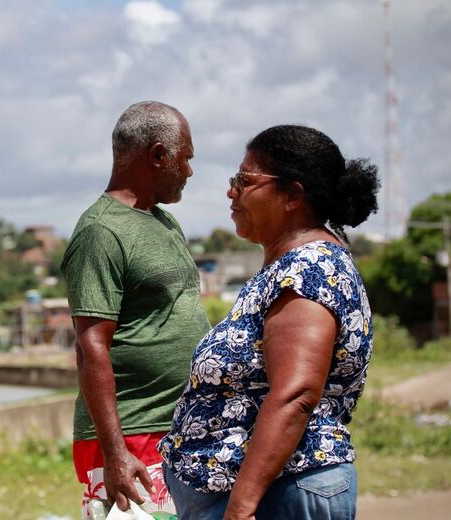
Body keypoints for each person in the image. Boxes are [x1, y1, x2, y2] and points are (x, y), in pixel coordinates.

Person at [158, 124, 380, 520]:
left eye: (245, 181)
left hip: (282, 494)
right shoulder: (287, 270)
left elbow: (295, 395)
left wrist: (241, 506)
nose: (232, 191)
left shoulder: (309, 271)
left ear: (292, 196)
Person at [61, 101, 211, 518]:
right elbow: (91, 347)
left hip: (177, 425)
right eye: (186, 159)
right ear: (159, 155)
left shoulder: (163, 222)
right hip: (131, 433)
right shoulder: (100, 232)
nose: (189, 172)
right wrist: (115, 453)